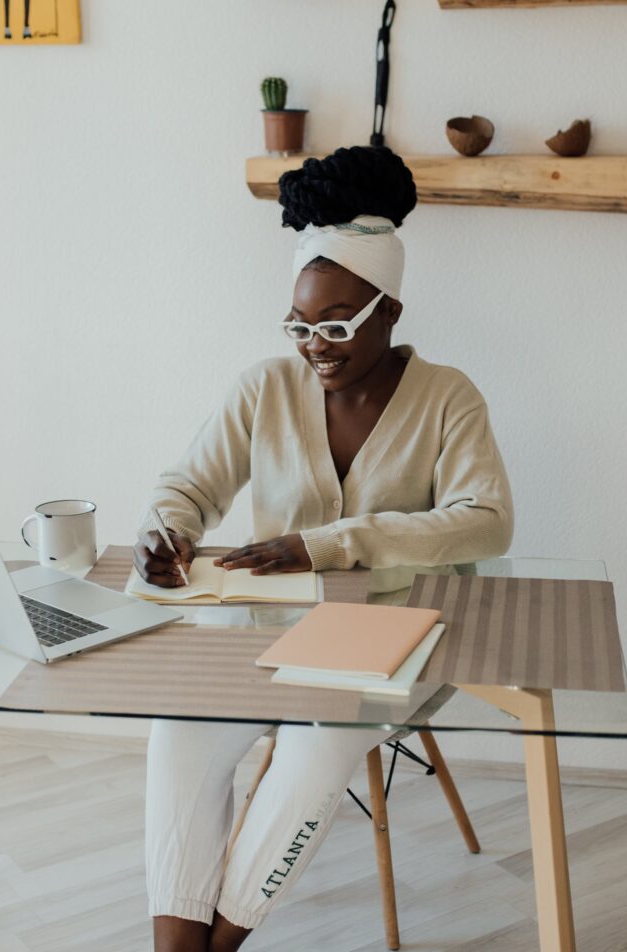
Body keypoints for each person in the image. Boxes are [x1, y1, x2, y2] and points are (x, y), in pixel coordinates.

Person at [133, 144, 514, 952]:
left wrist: (328, 545)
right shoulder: (264, 388)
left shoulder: (448, 397)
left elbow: (487, 519)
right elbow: (188, 488)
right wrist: (166, 532)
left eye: (338, 325)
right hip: (262, 636)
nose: (316, 344)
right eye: (301, 325)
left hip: (393, 644)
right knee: (179, 730)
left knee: (317, 745)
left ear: (391, 313)